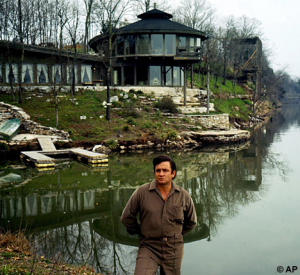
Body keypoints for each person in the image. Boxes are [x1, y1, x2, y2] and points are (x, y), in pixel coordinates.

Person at [121, 155, 197, 275]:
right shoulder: (141, 192)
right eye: (158, 170)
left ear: (173, 173)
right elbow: (126, 217)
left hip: (174, 248)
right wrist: (140, 231)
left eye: (165, 170)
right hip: (149, 246)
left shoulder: (183, 196)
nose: (161, 174)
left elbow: (191, 222)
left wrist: (176, 234)